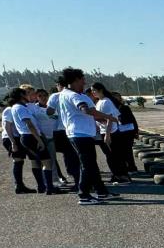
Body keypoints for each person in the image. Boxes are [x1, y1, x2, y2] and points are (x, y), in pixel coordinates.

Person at [57, 67, 120, 205]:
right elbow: (85, 110)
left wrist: (100, 119)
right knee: (87, 165)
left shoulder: (66, 94)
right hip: (80, 135)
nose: (84, 83)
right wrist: (108, 116)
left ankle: (101, 192)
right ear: (75, 80)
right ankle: (83, 194)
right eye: (82, 80)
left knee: (91, 164)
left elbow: (82, 114)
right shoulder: (72, 95)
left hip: (81, 133)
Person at [29, 88, 65, 194]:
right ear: (37, 97)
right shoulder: (35, 109)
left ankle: (55, 180)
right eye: (40, 96)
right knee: (42, 162)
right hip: (41, 138)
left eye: (45, 95)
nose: (43, 98)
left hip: (52, 137)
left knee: (52, 160)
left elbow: (56, 120)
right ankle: (44, 183)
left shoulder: (52, 108)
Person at [90, 82, 127, 184]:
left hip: (111, 132)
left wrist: (107, 134)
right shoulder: (99, 102)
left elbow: (110, 119)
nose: (93, 92)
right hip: (103, 131)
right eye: (92, 91)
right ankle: (117, 174)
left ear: (101, 90)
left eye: (94, 90)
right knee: (110, 155)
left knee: (113, 156)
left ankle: (120, 175)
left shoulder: (106, 101)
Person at [0, 88, 34, 194]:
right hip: (10, 138)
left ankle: (20, 185)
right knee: (18, 161)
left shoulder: (16, 107)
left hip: (15, 137)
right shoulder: (10, 109)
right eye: (25, 94)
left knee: (19, 161)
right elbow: (7, 125)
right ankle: (19, 186)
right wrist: (13, 142)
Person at [48, 78, 80, 186]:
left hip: (59, 129)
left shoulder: (55, 96)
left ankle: (64, 176)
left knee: (56, 154)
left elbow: (49, 111)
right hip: (72, 128)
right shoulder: (74, 94)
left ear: (59, 85)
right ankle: (75, 176)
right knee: (72, 154)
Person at [112, 91, 140, 178]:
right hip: (118, 132)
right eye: (114, 97)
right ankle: (125, 168)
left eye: (118, 97)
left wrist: (136, 131)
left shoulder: (124, 108)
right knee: (122, 152)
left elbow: (132, 119)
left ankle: (132, 168)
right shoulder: (112, 108)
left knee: (128, 151)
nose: (116, 99)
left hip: (127, 132)